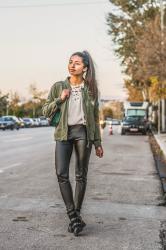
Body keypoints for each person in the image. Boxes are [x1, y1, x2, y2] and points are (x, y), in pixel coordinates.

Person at [42, 50, 103, 236]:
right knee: (61, 174)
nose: (72, 65)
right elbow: (45, 111)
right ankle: (74, 216)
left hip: (83, 133)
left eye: (77, 63)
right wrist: (60, 99)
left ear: (84, 68)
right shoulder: (58, 86)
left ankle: (75, 216)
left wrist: (97, 142)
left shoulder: (91, 89)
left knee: (80, 176)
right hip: (63, 133)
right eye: (70, 62)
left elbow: (94, 117)